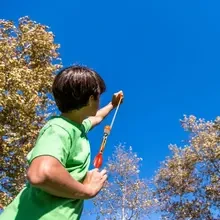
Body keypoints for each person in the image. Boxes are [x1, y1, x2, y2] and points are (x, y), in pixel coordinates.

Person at [0, 65, 124, 220]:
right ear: (91, 99)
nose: (100, 101)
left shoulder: (76, 126)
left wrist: (112, 104)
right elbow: (41, 173)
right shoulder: (59, 128)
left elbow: (96, 118)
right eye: (99, 97)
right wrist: (88, 190)